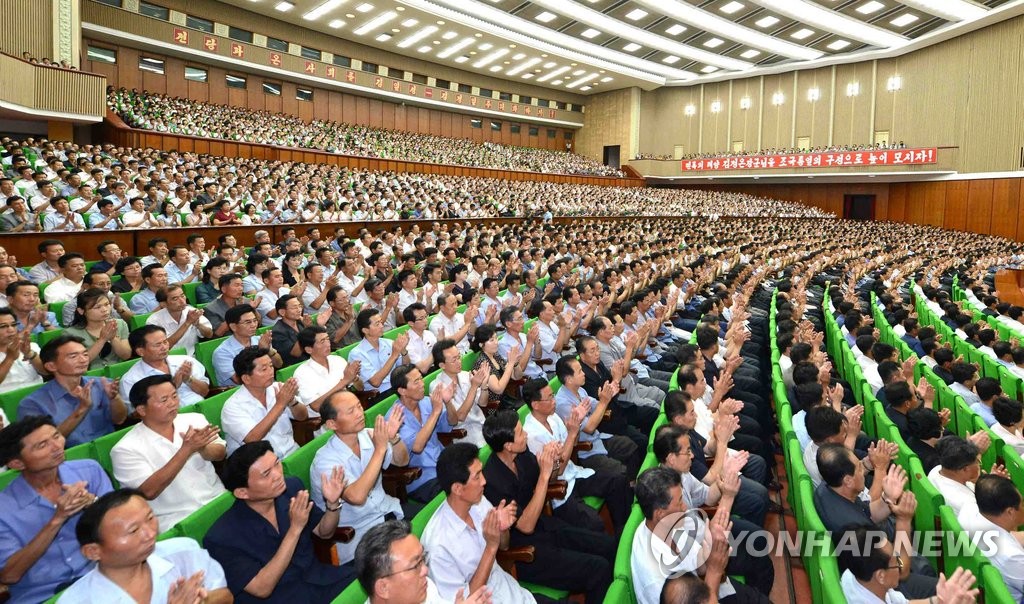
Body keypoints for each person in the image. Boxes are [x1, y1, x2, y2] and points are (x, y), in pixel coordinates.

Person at [482, 410, 615, 603]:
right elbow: (525, 526)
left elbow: (548, 480)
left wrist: (551, 463)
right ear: (508, 446)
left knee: (608, 545)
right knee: (598, 569)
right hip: (526, 551)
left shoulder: (522, 455)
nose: (526, 434)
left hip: (547, 527)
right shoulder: (493, 481)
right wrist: (544, 475)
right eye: (520, 433)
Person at [204, 441, 354, 603]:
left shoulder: (291, 488)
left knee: (375, 581)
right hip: (281, 597)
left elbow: (324, 533)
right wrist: (295, 529)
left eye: (277, 464)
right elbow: (262, 588)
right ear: (242, 492)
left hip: (319, 580)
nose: (278, 475)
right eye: (266, 474)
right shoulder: (221, 538)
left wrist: (332, 505)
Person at [0, 416, 113, 604]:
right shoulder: (4, 508)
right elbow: (9, 575)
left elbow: (124, 526)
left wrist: (92, 502)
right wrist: (57, 519)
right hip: (42, 595)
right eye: (42, 445)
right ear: (17, 463)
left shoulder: (89, 470)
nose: (57, 447)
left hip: (102, 575)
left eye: (57, 436)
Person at [630, 466, 768, 604]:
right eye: (679, 502)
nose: (685, 507)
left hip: (704, 585)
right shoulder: (657, 581)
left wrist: (709, 549)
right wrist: (714, 570)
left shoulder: (668, 524)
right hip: (706, 592)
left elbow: (696, 563)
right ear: (660, 513)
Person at [421, 443, 537, 603]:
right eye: (477, 476)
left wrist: (502, 530)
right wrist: (490, 547)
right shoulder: (439, 548)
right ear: (458, 488)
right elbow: (467, 599)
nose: (484, 481)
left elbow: (504, 546)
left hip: (514, 593)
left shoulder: (479, 501)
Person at [110, 375, 225, 532]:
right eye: (164, 400)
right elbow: (148, 492)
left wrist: (202, 448)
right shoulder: (125, 449)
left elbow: (220, 454)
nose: (173, 403)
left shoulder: (194, 419)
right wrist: (187, 449)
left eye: (174, 396)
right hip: (177, 520)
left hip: (217, 500)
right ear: (142, 409)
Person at [312, 391, 409, 565]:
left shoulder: (368, 435)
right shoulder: (325, 460)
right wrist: (380, 450)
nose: (360, 413)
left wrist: (393, 438)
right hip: (358, 534)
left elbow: (402, 462)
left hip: (388, 511)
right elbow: (357, 497)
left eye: (359, 406)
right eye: (351, 411)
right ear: (332, 424)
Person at [19, 334, 129, 447]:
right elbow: (44, 444)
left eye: (85, 354)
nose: (83, 360)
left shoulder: (101, 384)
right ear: (51, 366)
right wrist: (82, 408)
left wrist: (115, 399)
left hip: (110, 447)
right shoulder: (33, 403)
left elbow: (119, 420)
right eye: (73, 356)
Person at [354, 520, 492, 604]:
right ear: (383, 588)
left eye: (422, 559)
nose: (425, 570)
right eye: (415, 566)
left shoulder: (426, 588)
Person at [836, 525, 978, 604]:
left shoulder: (853, 575)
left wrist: (940, 600)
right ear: (880, 576)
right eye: (896, 561)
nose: (901, 564)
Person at [221, 346, 307, 457]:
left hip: (292, 452)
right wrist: (280, 404)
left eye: (271, 366)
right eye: (264, 369)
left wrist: (292, 402)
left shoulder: (277, 388)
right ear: (246, 378)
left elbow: (302, 416)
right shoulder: (232, 407)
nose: (271, 371)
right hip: (260, 466)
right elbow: (252, 438)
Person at [385, 365, 453, 503]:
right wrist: (435, 412)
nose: (422, 384)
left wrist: (448, 402)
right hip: (422, 477)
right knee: (456, 495)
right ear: (402, 390)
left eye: (421, 379)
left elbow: (451, 423)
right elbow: (417, 447)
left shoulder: (427, 402)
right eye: (416, 382)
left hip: (444, 463)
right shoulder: (395, 417)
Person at [959, 474, 1024, 602]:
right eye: (1022, 504)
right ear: (1010, 512)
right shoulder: (1011, 556)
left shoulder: (968, 510)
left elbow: (1011, 538)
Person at [120, 325, 210, 408]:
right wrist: (172, 386)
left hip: (200, 412)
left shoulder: (185, 361)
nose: (164, 347)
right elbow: (136, 414)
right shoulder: (131, 379)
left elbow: (205, 392)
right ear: (140, 351)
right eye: (158, 345)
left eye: (165, 342)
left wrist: (188, 379)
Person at [293, 325, 361, 420]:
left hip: (349, 411)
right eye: (322, 341)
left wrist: (355, 378)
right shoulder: (302, 373)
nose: (328, 344)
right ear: (309, 349)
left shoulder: (338, 360)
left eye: (327, 339)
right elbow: (316, 406)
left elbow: (361, 388)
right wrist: (344, 381)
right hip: (325, 421)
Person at [431, 339, 489, 446]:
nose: (459, 361)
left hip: (482, 424)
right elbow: (459, 417)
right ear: (442, 365)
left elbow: (483, 403)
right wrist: (474, 387)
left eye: (459, 356)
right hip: (463, 434)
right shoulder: (437, 387)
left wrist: (484, 385)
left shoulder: (465, 375)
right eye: (454, 360)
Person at [212, 304, 281, 386]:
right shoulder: (223, 352)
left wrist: (268, 350)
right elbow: (239, 380)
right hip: (241, 392)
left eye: (255, 320)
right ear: (233, 326)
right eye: (248, 322)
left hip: (268, 384)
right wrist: (260, 351)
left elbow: (279, 364)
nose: (253, 325)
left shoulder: (260, 340)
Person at [64, 288, 132, 371]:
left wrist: (113, 338)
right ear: (81, 311)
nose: (104, 310)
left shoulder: (120, 324)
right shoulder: (70, 333)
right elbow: (79, 362)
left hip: (119, 372)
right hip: (90, 377)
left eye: (107, 304)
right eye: (97, 307)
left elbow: (126, 355)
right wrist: (102, 339)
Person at [350, 308, 410, 399]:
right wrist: (394, 355)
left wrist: (403, 350)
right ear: (365, 330)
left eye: (381, 322)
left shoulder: (388, 342)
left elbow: (405, 366)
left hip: (397, 386)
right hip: (379, 394)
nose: (382, 326)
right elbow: (376, 382)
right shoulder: (357, 353)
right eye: (377, 324)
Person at [146, 284, 213, 356]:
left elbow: (209, 335)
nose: (182, 301)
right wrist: (187, 322)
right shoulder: (153, 321)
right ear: (163, 304)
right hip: (167, 358)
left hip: (193, 356)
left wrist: (198, 325)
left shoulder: (191, 311)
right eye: (175, 299)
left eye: (182, 296)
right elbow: (165, 347)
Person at [0, 307, 46, 393]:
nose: (11, 330)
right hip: (8, 399)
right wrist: (9, 358)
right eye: (3, 326)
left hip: (38, 393)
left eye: (13, 325)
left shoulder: (29, 346)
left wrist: (29, 354)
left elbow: (46, 371)